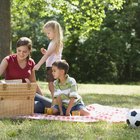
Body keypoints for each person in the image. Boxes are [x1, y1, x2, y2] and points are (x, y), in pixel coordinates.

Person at [0, 37, 52, 113]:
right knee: (38, 107)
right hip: (11, 94)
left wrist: (42, 97)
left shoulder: (31, 62)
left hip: (26, 93)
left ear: (29, 51)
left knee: (49, 103)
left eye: (24, 51)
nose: (21, 54)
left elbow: (33, 82)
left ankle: (70, 110)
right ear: (16, 49)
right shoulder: (8, 60)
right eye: (19, 50)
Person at [33, 20, 63, 101]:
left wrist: (38, 64)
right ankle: (55, 101)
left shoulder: (55, 42)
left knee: (52, 86)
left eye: (48, 33)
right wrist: (46, 52)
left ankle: (56, 102)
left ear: (55, 31)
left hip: (54, 67)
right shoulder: (53, 42)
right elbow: (51, 54)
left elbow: (47, 55)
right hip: (52, 67)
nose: (47, 35)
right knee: (51, 86)